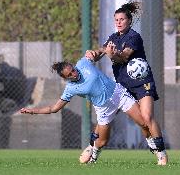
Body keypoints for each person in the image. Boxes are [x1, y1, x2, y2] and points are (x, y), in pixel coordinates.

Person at [18, 56, 151, 163]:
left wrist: (105, 49)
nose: (74, 74)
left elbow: (95, 53)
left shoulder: (83, 63)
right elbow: (54, 108)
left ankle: (157, 150)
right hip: (103, 108)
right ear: (65, 78)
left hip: (118, 94)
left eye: (73, 70)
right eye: (70, 74)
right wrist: (33, 111)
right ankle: (93, 152)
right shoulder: (70, 89)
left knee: (144, 122)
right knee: (103, 141)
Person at [85, 1, 168, 165]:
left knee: (147, 117)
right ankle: (91, 150)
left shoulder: (134, 37)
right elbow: (101, 52)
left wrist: (111, 55)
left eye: (122, 19)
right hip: (123, 86)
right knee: (105, 116)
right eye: (116, 19)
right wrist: (92, 54)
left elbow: (123, 57)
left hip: (142, 83)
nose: (118, 22)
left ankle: (162, 154)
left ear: (129, 21)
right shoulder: (113, 38)